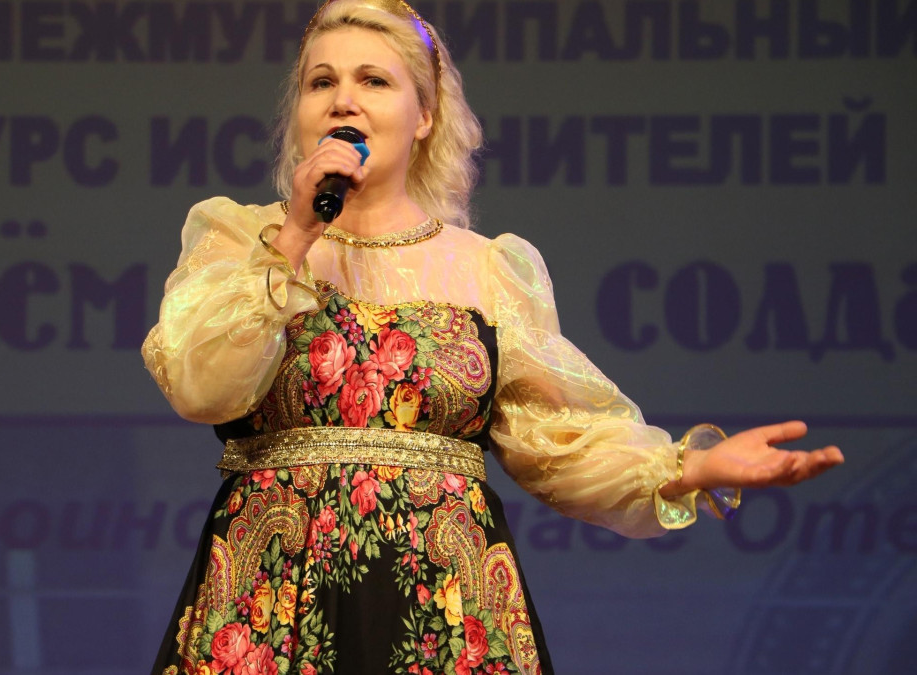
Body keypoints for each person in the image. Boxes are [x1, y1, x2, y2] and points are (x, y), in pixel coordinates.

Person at [141, 2, 844, 673]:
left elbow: (559, 438)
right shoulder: (241, 239)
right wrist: (294, 236)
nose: (343, 101)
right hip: (272, 603)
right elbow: (201, 384)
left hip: (445, 608)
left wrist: (688, 468)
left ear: (425, 115)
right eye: (320, 82)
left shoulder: (485, 268)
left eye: (373, 81)